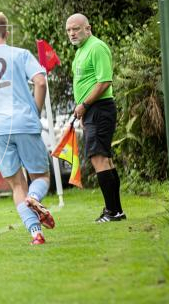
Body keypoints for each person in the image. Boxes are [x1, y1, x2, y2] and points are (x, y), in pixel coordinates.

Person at [0, 11, 55, 245]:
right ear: (6, 33)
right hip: (24, 121)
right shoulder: (21, 54)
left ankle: (36, 232)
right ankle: (35, 198)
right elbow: (41, 81)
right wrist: (35, 110)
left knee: (17, 184)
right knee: (41, 176)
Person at [65, 13, 126, 223]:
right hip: (92, 111)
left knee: (98, 158)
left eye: (76, 28)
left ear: (88, 29)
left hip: (100, 108)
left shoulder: (97, 47)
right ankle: (115, 210)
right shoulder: (81, 51)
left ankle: (113, 211)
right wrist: (83, 109)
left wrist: (85, 105)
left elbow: (104, 81)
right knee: (105, 159)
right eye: (69, 30)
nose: (72, 33)